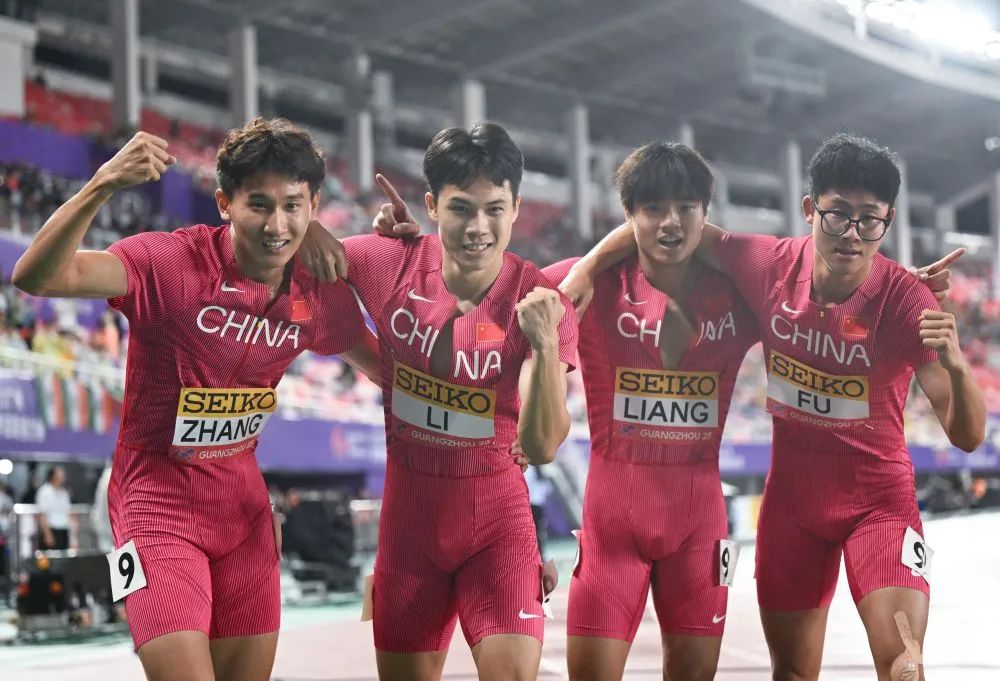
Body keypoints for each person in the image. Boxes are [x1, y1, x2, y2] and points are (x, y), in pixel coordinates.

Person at [560, 133, 985, 681]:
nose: (851, 234)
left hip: (879, 504)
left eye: (869, 220)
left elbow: (967, 436)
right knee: (792, 673)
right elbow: (668, 223)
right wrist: (585, 267)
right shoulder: (764, 265)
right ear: (810, 209)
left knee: (904, 665)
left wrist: (957, 365)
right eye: (837, 215)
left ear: (888, 221)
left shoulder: (907, 301)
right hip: (792, 509)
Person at [12, 117, 379, 681]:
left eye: (292, 206)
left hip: (244, 512)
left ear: (313, 207)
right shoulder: (170, 264)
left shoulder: (319, 297)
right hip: (153, 504)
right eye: (258, 205)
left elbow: (398, 374)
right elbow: (37, 276)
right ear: (224, 203)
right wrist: (102, 182)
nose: (276, 224)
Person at [307, 122, 578, 681]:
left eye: (495, 209)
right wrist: (309, 228)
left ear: (516, 207)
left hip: (499, 530)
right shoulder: (386, 261)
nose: (478, 227)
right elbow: (294, 250)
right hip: (407, 534)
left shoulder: (540, 300)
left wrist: (546, 343)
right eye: (460, 209)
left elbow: (543, 446)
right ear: (431, 205)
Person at [538, 142, 760, 681]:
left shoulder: (742, 291)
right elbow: (483, 286)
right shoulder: (582, 285)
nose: (670, 223)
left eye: (686, 208)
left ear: (706, 213)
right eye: (653, 208)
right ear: (628, 213)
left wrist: (907, 287)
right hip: (611, 526)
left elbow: (821, 278)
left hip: (700, 527)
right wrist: (402, 246)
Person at [35, 465, 71, 551]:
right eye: (61, 475)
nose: (63, 478)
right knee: (48, 558)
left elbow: (67, 513)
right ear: (54, 476)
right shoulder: (44, 491)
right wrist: (47, 534)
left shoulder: (64, 492)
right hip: (51, 530)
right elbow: (42, 514)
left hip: (63, 530)